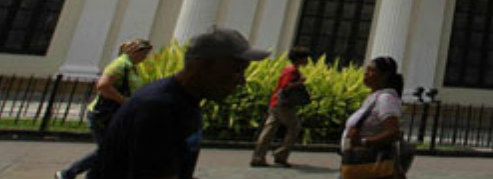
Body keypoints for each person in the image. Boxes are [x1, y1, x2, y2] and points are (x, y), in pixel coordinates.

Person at [91, 26, 268, 179]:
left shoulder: (185, 102)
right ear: (201, 67)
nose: (242, 81)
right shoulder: (158, 109)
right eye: (236, 70)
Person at [56, 38, 153, 179]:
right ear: (136, 52)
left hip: (116, 115)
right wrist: (125, 101)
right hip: (103, 115)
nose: (145, 58)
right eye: (144, 54)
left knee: (111, 150)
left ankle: (78, 175)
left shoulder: (131, 66)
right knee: (111, 150)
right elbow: (103, 86)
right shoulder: (120, 64)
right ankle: (68, 173)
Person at [342, 56, 407, 179]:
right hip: (357, 163)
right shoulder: (373, 98)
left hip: (369, 163)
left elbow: (394, 132)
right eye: (366, 69)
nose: (366, 73)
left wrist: (363, 142)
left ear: (385, 75)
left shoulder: (385, 99)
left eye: (371, 70)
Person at [251, 45, 311, 167]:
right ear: (299, 59)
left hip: (276, 102)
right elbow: (285, 86)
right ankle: (281, 154)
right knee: (294, 127)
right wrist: (300, 82)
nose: (307, 60)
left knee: (269, 130)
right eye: (305, 58)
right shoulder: (292, 71)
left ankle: (258, 157)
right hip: (283, 105)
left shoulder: (288, 69)